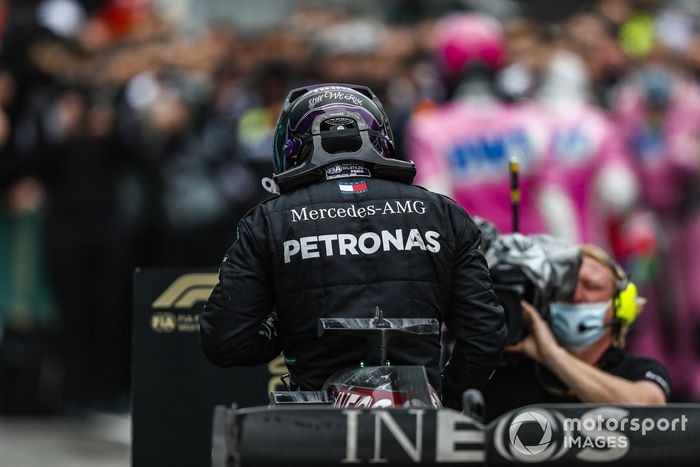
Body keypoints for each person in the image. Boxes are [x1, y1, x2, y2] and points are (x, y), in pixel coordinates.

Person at [199, 83, 506, 409]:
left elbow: (226, 340)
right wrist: (448, 400)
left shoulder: (269, 220)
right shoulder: (442, 213)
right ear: (381, 140)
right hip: (423, 420)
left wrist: (289, 324)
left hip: (315, 424)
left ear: (293, 147)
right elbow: (484, 335)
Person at [483, 244, 670, 422]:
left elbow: (643, 412)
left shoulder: (640, 370)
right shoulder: (504, 373)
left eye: (591, 286)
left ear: (622, 305)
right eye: (565, 285)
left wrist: (552, 355)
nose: (575, 295)